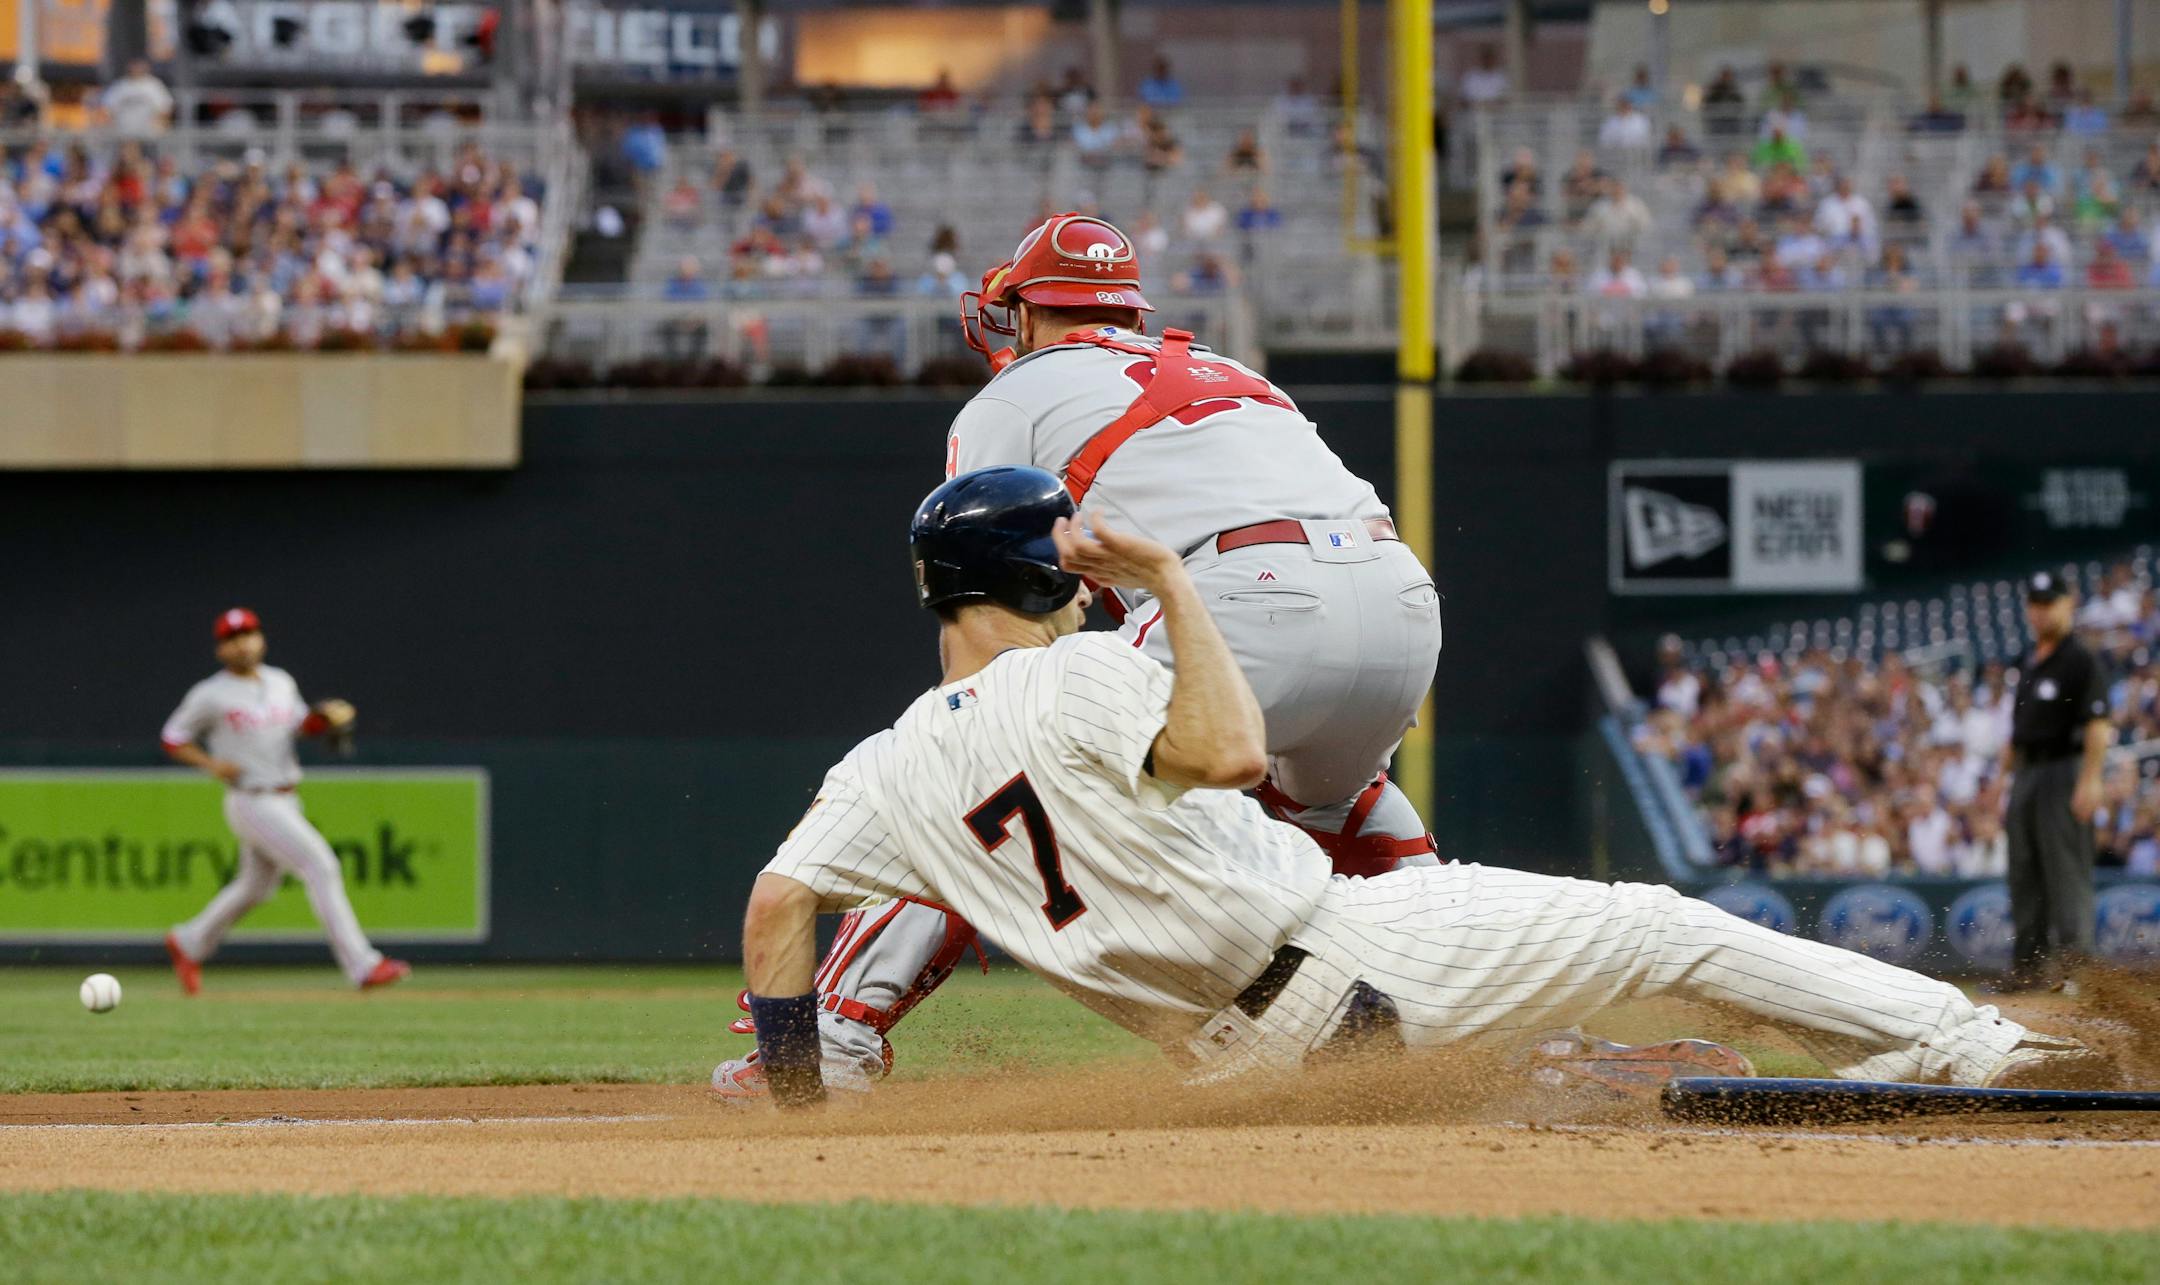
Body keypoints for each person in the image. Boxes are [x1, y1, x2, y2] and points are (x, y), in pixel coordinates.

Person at [727, 468, 2114, 1109]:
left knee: (1510, 1098)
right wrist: (1163, 582)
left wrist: (797, 1088)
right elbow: (1226, 755)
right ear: (1049, 577)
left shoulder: (886, 765)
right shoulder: (1081, 676)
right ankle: (1974, 1053)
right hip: (1342, 949)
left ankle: (1613, 1089)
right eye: (1073, 570)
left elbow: (779, 906)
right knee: (1659, 925)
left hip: (1235, 1065)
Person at [714, 213, 1447, 1099]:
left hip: (1239, 593)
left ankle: (832, 1035)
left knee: (978, 770)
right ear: (1125, 309)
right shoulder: (1231, 370)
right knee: (1343, 804)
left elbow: (987, 577)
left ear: (1024, 310)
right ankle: (1497, 1017)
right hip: (1401, 598)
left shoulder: (1015, 395)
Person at [160, 609, 410, 995]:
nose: (243, 642)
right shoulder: (210, 694)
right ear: (220, 649)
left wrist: (323, 719)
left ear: (261, 639)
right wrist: (210, 764)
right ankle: (363, 965)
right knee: (320, 865)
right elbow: (172, 737)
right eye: (233, 637)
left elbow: (300, 727)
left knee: (255, 888)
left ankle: (189, 940)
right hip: (251, 798)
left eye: (250, 633)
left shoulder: (280, 682)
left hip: (286, 797)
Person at [1997, 572, 2113, 991]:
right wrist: (2000, 782)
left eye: (2049, 602)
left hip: (2065, 769)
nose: (2041, 611)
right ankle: (2028, 972)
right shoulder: (2031, 659)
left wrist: (2091, 780)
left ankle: (2077, 971)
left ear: (2069, 604)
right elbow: (2017, 732)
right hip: (2027, 773)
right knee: (2023, 873)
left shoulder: (2080, 658)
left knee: (2066, 874)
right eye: (2035, 603)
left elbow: (2098, 723)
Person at [101, 59, 174, 138]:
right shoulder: (119, 85)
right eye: (134, 66)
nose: (136, 69)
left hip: (149, 129)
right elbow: (106, 108)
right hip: (123, 128)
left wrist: (159, 123)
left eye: (139, 66)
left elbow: (166, 108)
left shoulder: (153, 85)